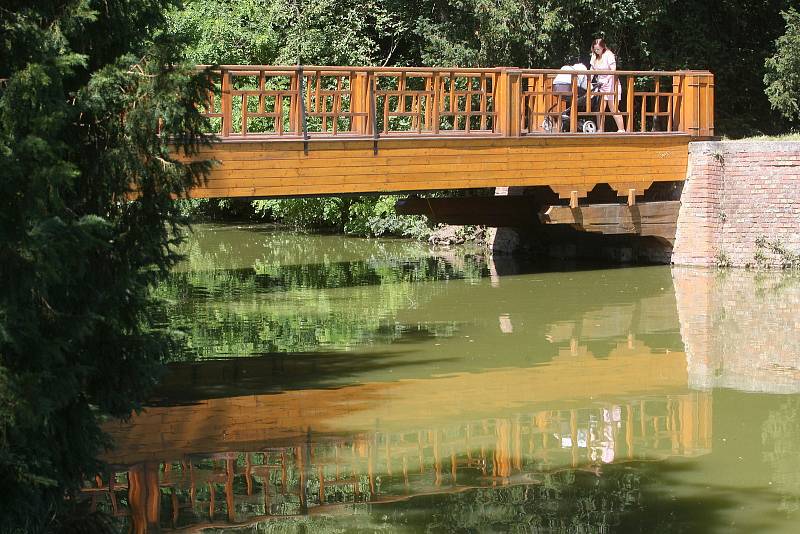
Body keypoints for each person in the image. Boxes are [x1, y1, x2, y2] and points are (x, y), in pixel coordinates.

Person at [589, 39, 625, 132]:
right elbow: (592, 70)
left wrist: (607, 79)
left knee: (613, 107)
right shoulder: (594, 56)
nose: (596, 51)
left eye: (598, 49)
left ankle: (621, 129)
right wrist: (588, 81)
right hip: (601, 85)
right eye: (595, 49)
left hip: (611, 83)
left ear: (603, 48)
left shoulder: (609, 54)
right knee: (600, 108)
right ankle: (600, 129)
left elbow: (613, 69)